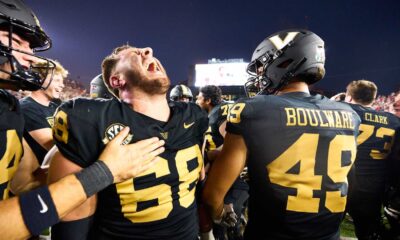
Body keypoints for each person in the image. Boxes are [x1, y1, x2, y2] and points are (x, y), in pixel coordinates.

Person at [0, 0, 164, 239]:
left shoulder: (8, 106)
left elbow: (24, 184)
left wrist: (77, 155)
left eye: (30, 47)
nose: (32, 58)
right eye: (15, 42)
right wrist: (102, 172)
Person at [203, 29, 361, 240]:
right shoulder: (349, 114)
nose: (260, 76)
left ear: (284, 62)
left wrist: (221, 214)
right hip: (329, 233)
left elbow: (213, 196)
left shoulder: (254, 110)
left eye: (262, 67)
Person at [48, 44, 209, 240]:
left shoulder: (194, 116)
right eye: (134, 53)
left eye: (147, 51)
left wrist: (206, 230)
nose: (148, 50)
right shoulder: (90, 121)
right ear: (117, 80)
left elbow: (199, 183)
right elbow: (72, 221)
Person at [344, 80, 400, 240]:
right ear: (374, 98)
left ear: (349, 96)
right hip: (373, 187)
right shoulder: (394, 121)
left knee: (325, 228)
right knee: (369, 233)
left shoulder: (343, 111)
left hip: (342, 181)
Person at [197, 85, 249, 240]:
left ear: (207, 100)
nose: (196, 100)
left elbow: (233, 142)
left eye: (198, 97)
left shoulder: (219, 111)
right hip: (230, 175)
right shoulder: (222, 108)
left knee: (225, 225)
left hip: (229, 177)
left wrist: (210, 155)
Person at [10, 59, 67, 194]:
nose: (62, 85)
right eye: (57, 80)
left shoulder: (55, 105)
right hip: (34, 181)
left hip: (51, 171)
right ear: (39, 80)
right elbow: (53, 146)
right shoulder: (27, 107)